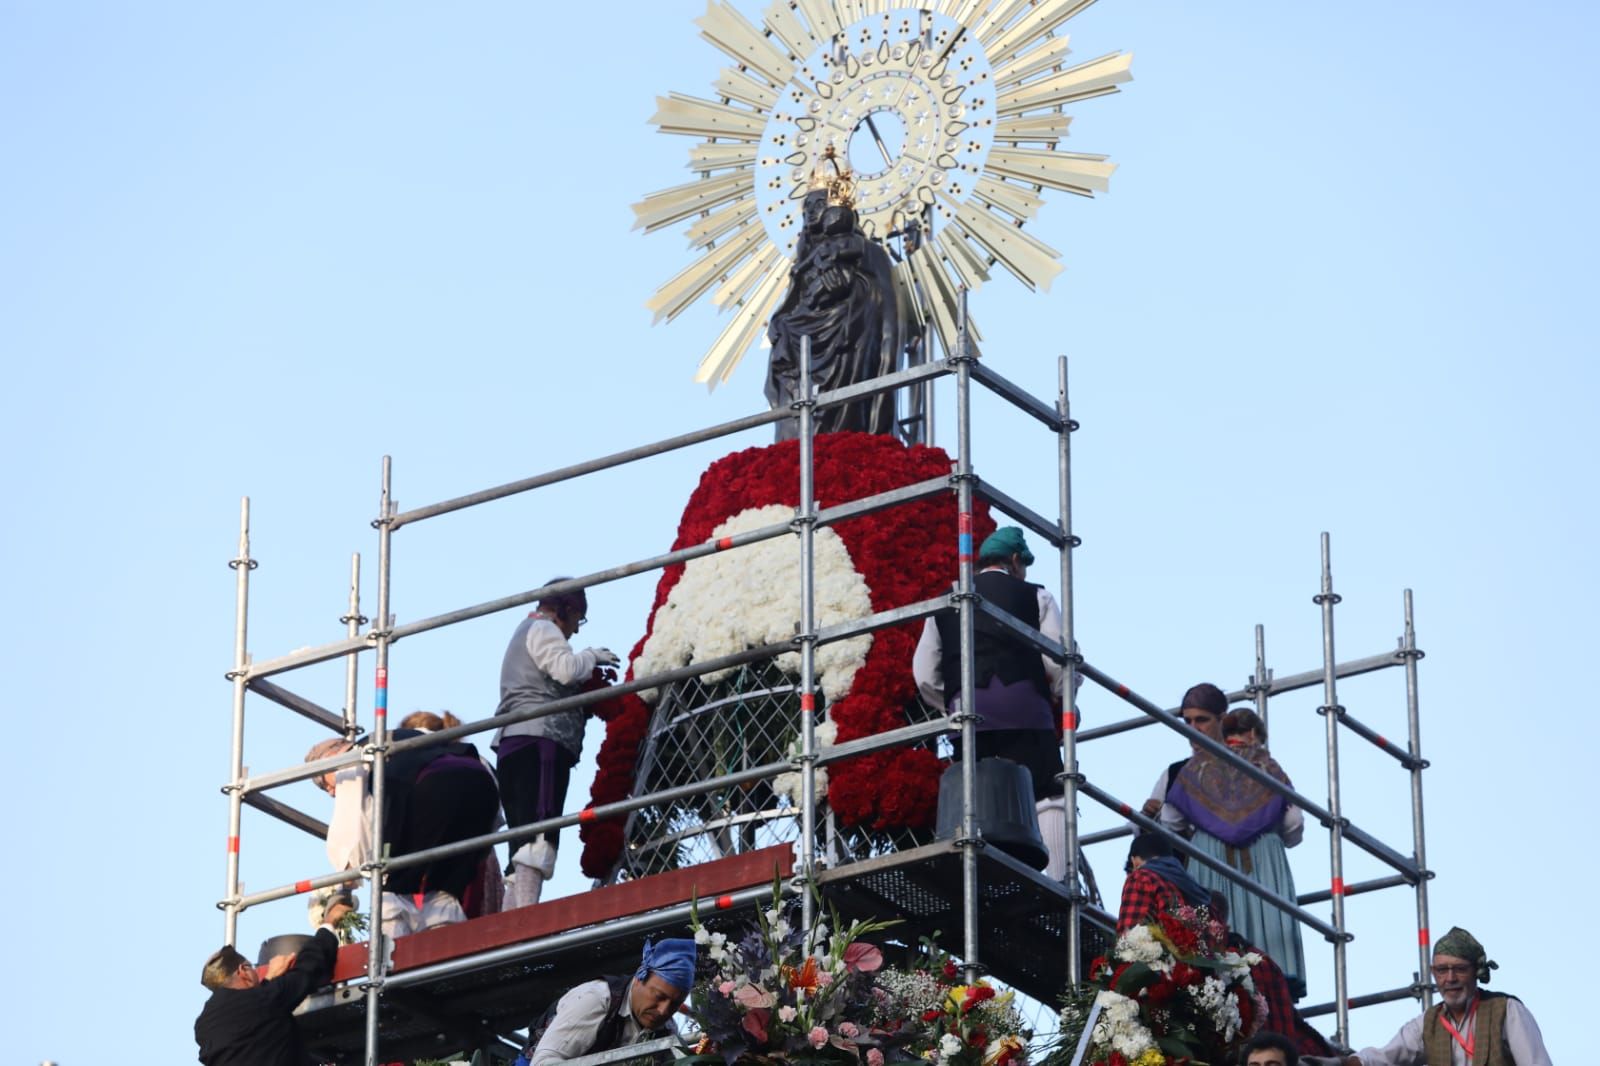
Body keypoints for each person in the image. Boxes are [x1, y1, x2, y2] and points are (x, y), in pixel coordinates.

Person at [911, 526, 1074, 877]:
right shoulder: (1037, 595)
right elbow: (1058, 660)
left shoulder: (947, 599)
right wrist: (1061, 700)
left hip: (968, 716)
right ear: (1015, 561)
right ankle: (1059, 881)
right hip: (1026, 709)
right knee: (1047, 790)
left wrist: (953, 703)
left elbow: (924, 671)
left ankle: (985, 879)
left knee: (979, 799)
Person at [1142, 682, 1307, 996]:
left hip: (1210, 859)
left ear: (1222, 718)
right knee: (1264, 961)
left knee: (1214, 966)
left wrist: (1162, 817)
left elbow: (1170, 823)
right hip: (1263, 862)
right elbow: (1294, 825)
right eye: (1186, 722)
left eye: (1201, 720)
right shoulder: (1266, 766)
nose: (1192, 729)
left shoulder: (1187, 773)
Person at [305, 710, 501, 937]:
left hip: (433, 791)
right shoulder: (429, 737)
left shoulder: (355, 756)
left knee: (393, 884)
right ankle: (444, 939)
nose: (330, 792)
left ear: (331, 757)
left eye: (323, 783)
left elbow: (348, 837)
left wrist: (346, 880)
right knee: (443, 889)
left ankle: (393, 953)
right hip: (482, 789)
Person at [764, 147, 903, 440]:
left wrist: (856, 292)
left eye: (818, 205)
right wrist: (785, 326)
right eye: (807, 208)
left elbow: (887, 320)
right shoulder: (804, 261)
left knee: (844, 416)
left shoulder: (869, 253)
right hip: (805, 352)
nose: (811, 213)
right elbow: (786, 314)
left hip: (850, 349)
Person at [495, 581, 619, 908]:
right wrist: (591, 657)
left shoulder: (527, 631)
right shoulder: (544, 629)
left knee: (521, 842)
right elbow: (565, 670)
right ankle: (523, 918)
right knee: (538, 837)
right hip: (539, 742)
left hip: (517, 742)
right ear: (566, 609)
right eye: (579, 618)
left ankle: (510, 920)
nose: (576, 630)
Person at [1302, 927, 1552, 1066]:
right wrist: (1334, 1064)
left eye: (1459, 969)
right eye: (1442, 970)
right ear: (1433, 974)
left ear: (1476, 972)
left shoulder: (1506, 1010)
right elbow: (1382, 1059)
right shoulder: (1427, 1024)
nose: (1450, 978)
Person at [194, 897, 352, 1065]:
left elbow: (252, 1021)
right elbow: (308, 969)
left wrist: (270, 980)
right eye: (251, 967)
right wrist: (328, 924)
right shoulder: (262, 1001)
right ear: (243, 972)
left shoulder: (203, 1026)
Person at [523, 937, 697, 1066]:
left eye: (674, 1004)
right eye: (659, 997)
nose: (663, 1011)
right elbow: (543, 1063)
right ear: (638, 979)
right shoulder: (595, 999)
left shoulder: (667, 1031)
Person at [1116, 832, 1210, 934]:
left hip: (1157, 947)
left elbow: (1131, 934)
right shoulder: (1193, 887)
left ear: (1135, 861)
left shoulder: (1141, 877)